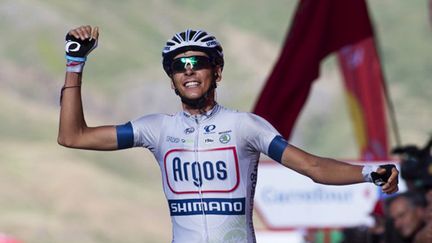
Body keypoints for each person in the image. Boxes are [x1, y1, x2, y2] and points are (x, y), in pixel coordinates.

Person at [58, 25, 399, 243]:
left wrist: (369, 173)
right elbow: (73, 136)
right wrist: (75, 65)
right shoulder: (156, 129)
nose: (189, 72)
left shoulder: (244, 126)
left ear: (216, 72)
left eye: (198, 63)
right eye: (179, 66)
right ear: (172, 78)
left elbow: (312, 167)